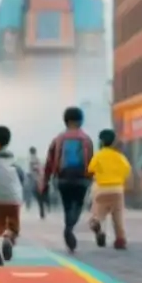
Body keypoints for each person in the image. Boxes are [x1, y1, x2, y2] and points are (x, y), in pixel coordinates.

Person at [42, 106, 94, 252]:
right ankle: (70, 226)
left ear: (65, 121)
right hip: (82, 179)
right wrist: (92, 177)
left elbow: (49, 162)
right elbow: (91, 160)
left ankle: (68, 224)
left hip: (62, 178)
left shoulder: (58, 139)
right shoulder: (86, 139)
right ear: (81, 121)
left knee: (67, 205)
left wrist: (45, 181)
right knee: (78, 204)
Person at [87, 128, 131, 249]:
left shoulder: (98, 156)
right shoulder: (119, 156)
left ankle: (97, 226)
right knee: (118, 216)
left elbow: (90, 169)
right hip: (117, 190)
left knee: (98, 214)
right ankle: (120, 239)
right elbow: (127, 170)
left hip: (101, 190)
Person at [0, 125, 24, 265]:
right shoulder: (14, 161)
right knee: (14, 226)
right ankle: (9, 237)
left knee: (0, 223)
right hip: (13, 198)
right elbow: (22, 178)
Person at [28, 147, 48, 218]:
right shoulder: (36, 159)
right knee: (39, 196)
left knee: (37, 195)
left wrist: (31, 175)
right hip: (38, 179)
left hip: (36, 180)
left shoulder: (33, 159)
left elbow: (35, 169)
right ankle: (42, 210)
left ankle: (42, 210)